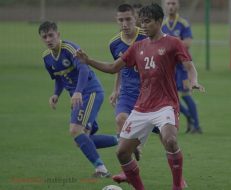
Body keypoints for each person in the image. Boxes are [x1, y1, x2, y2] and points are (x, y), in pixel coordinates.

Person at [76, 3, 204, 190]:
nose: (143, 25)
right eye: (142, 21)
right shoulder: (137, 47)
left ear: (159, 22)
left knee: (170, 139)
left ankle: (177, 184)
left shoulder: (173, 42)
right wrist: (88, 61)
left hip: (165, 104)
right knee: (121, 152)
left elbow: (189, 66)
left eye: (148, 21)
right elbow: (113, 68)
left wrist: (193, 81)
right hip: (142, 107)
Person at [38, 21, 118, 178]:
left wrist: (78, 91)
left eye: (51, 35)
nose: (48, 39)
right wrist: (56, 94)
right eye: (44, 37)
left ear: (58, 35)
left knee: (75, 130)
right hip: (79, 97)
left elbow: (83, 69)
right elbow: (59, 77)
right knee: (80, 139)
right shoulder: (47, 57)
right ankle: (123, 141)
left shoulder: (69, 48)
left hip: (90, 92)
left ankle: (101, 169)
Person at [108, 3, 149, 183]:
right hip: (127, 92)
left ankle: (178, 178)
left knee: (166, 137)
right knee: (120, 119)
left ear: (136, 19)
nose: (125, 23)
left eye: (128, 19)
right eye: (121, 20)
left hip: (149, 94)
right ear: (116, 20)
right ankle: (127, 170)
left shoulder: (147, 37)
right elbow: (118, 67)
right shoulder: (114, 43)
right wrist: (116, 89)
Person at [162, 0, 202, 133]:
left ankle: (197, 125)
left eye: (173, 3)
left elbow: (188, 43)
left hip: (182, 65)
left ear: (178, 5)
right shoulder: (161, 23)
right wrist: (177, 43)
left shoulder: (183, 23)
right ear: (165, 5)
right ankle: (189, 116)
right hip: (168, 66)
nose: (171, 6)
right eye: (168, 3)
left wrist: (170, 45)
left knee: (185, 94)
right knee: (169, 96)